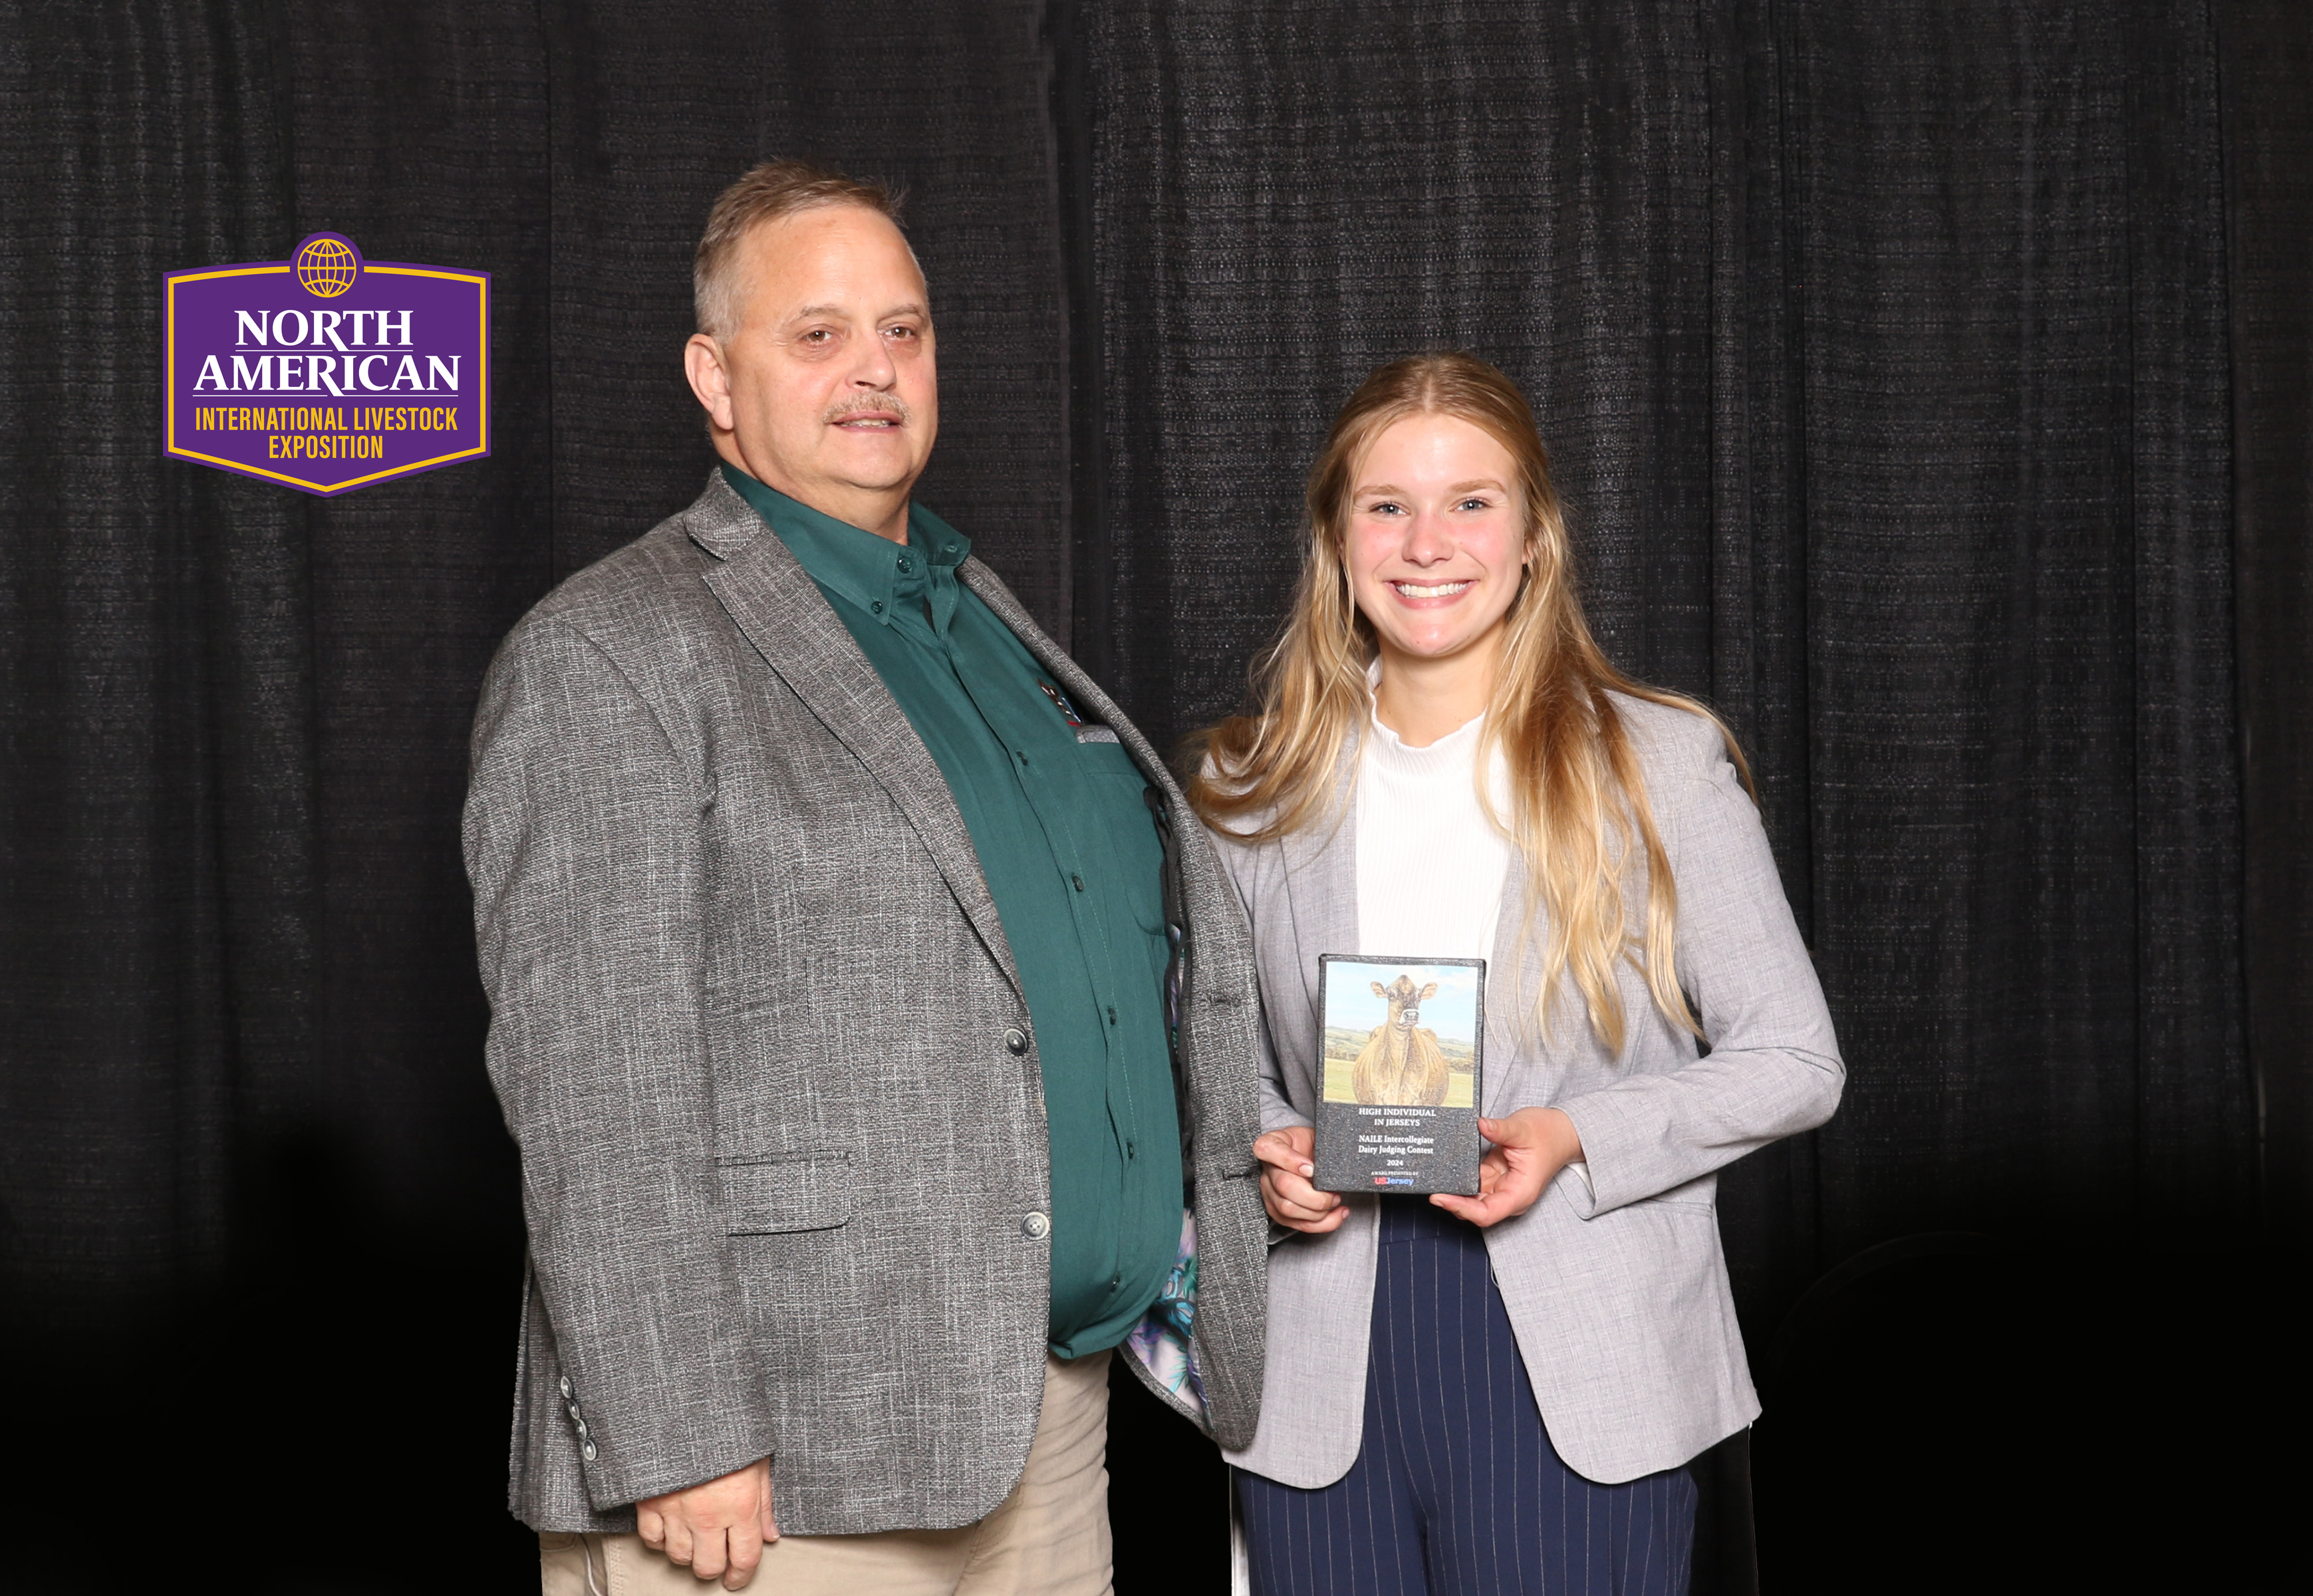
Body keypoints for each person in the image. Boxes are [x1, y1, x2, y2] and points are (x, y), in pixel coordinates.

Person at [464, 158, 1267, 1596]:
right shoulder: (610, 651)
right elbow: (598, 1087)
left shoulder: (979, 620)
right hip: (773, 1470)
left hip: (1041, 1423)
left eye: (903, 329)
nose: (875, 369)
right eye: (817, 332)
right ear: (715, 376)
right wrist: (680, 1436)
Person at [1189, 352, 1843, 1595]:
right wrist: (1271, 1150)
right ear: (1334, 537)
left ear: (1536, 533)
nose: (1427, 543)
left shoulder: (1660, 762)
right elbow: (1211, 1064)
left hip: (1582, 1358)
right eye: (1386, 505)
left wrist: (1573, 1136)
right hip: (1324, 1369)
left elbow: (1797, 1063)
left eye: (1471, 502)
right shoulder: (1246, 789)